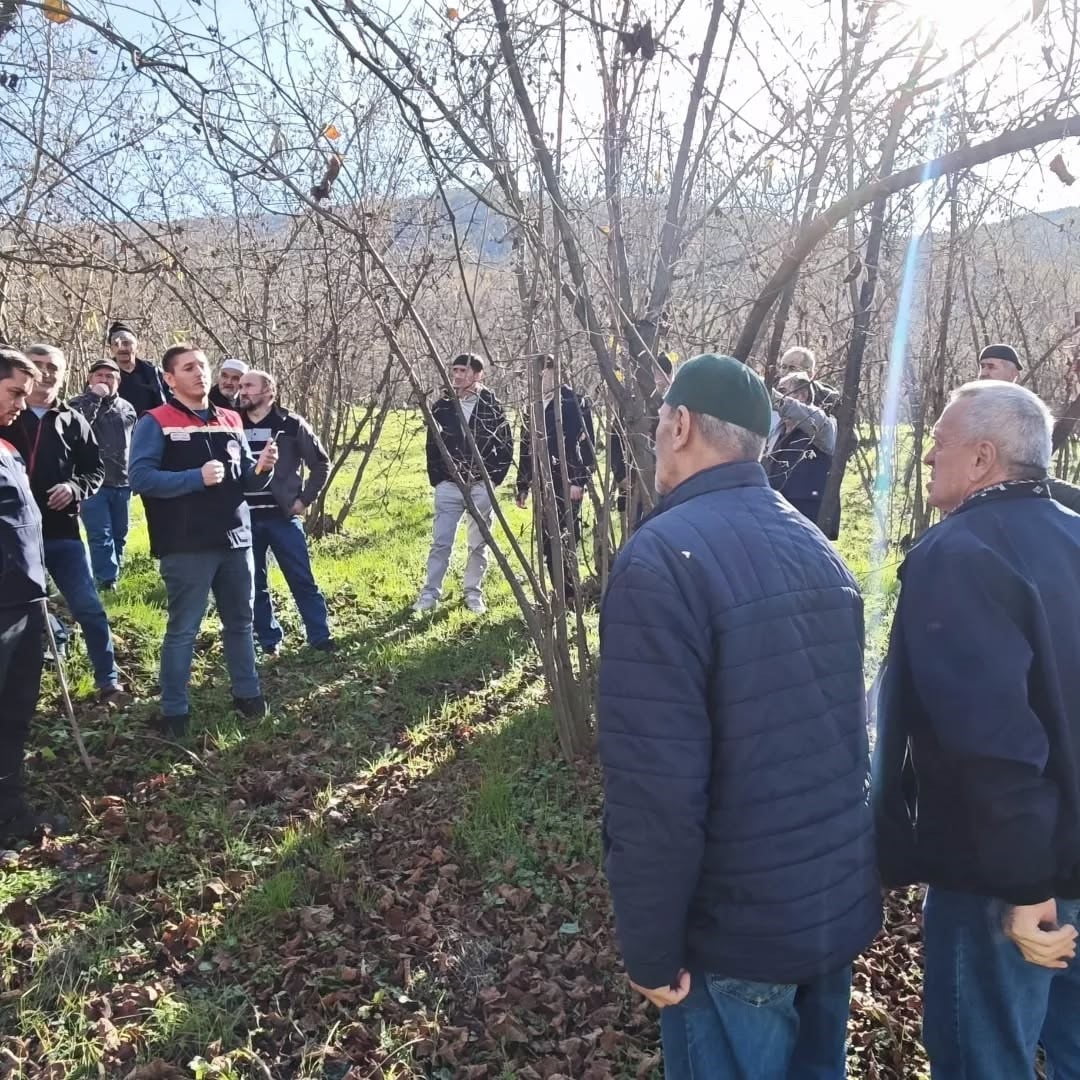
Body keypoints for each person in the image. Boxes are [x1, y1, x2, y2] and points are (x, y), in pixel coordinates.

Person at [598, 353, 880, 1080]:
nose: (658, 434)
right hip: (825, 907)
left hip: (735, 933)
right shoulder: (820, 552)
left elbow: (658, 786)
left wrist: (652, 948)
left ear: (681, 425)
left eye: (661, 420)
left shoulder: (660, 561)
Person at [873, 381, 1080, 1078]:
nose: (928, 454)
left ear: (984, 456)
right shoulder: (1075, 535)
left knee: (982, 1062)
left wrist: (1026, 890)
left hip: (1007, 882)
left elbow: (991, 741)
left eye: (940, 442)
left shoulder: (958, 556)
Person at [129, 345, 278, 736]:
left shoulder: (230, 417)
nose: (199, 373)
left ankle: (248, 695)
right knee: (184, 630)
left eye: (203, 366)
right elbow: (140, 479)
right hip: (186, 543)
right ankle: (174, 712)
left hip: (235, 537)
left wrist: (260, 470)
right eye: (188, 367)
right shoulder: (155, 421)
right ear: (169, 378)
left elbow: (244, 476)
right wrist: (194, 477)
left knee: (241, 622)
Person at [9, 345, 127, 705]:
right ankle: (32, 672)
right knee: (21, 613)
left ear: (64, 373)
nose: (46, 373)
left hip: (62, 533)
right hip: (13, 537)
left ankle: (109, 681)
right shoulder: (9, 414)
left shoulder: (72, 418)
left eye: (53, 367)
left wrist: (74, 487)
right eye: (38, 365)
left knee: (89, 606)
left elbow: (94, 469)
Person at [0, 348, 68, 843]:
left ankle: (10, 808)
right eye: (15, 393)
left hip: (25, 600)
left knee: (16, 708)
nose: (22, 404)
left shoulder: (8, 448)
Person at [237, 369, 335, 652]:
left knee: (302, 579)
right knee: (254, 585)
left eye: (249, 386)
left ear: (269, 392)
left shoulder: (291, 424)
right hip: (243, 519)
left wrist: (303, 501)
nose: (242, 391)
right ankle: (268, 641)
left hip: (283, 517)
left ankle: (320, 637)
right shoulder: (231, 423)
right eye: (241, 386)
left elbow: (320, 463)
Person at [414, 353, 513, 614]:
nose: (457, 375)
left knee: (479, 544)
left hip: (481, 486)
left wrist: (491, 479)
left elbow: (505, 447)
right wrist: (438, 479)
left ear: (478, 375)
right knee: (441, 542)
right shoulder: (442, 406)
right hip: (448, 485)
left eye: (464, 371)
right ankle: (430, 594)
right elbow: (431, 446)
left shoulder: (492, 407)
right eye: (455, 370)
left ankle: (473, 594)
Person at [515, 356, 596, 600]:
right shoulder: (533, 407)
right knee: (547, 536)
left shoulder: (576, 403)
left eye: (547, 372)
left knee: (565, 534)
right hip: (541, 481)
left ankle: (571, 592)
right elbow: (525, 447)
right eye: (537, 373)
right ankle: (558, 591)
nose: (542, 378)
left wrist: (578, 479)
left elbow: (587, 444)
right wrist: (523, 484)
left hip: (566, 481)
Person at [69, 358, 138, 590]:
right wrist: (95, 397)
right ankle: (106, 580)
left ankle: (112, 574)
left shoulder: (128, 407)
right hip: (92, 482)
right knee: (101, 535)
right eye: (99, 375)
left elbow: (134, 441)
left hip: (122, 480)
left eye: (110, 376)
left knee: (120, 533)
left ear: (118, 381)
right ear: (90, 379)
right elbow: (77, 429)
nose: (105, 380)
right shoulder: (76, 404)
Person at [766, 370, 839, 536]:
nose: (779, 397)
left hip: (809, 518)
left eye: (783, 391)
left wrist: (769, 394)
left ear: (803, 395)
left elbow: (799, 412)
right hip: (778, 515)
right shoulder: (778, 430)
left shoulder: (821, 423)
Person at [610, 351, 674, 513]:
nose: (659, 380)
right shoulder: (632, 405)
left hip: (668, 487)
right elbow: (615, 440)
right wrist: (621, 475)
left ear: (670, 375)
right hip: (635, 483)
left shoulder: (678, 406)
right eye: (655, 374)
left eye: (662, 373)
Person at [107, 320, 168, 415]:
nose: (122, 348)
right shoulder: (103, 375)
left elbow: (169, 404)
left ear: (136, 346)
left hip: (152, 426)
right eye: (116, 344)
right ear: (111, 349)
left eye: (127, 343)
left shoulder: (153, 372)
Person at [778, 345, 841, 413]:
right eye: (784, 367)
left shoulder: (827, 398)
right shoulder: (771, 389)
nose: (786, 372)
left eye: (792, 368)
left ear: (809, 373)